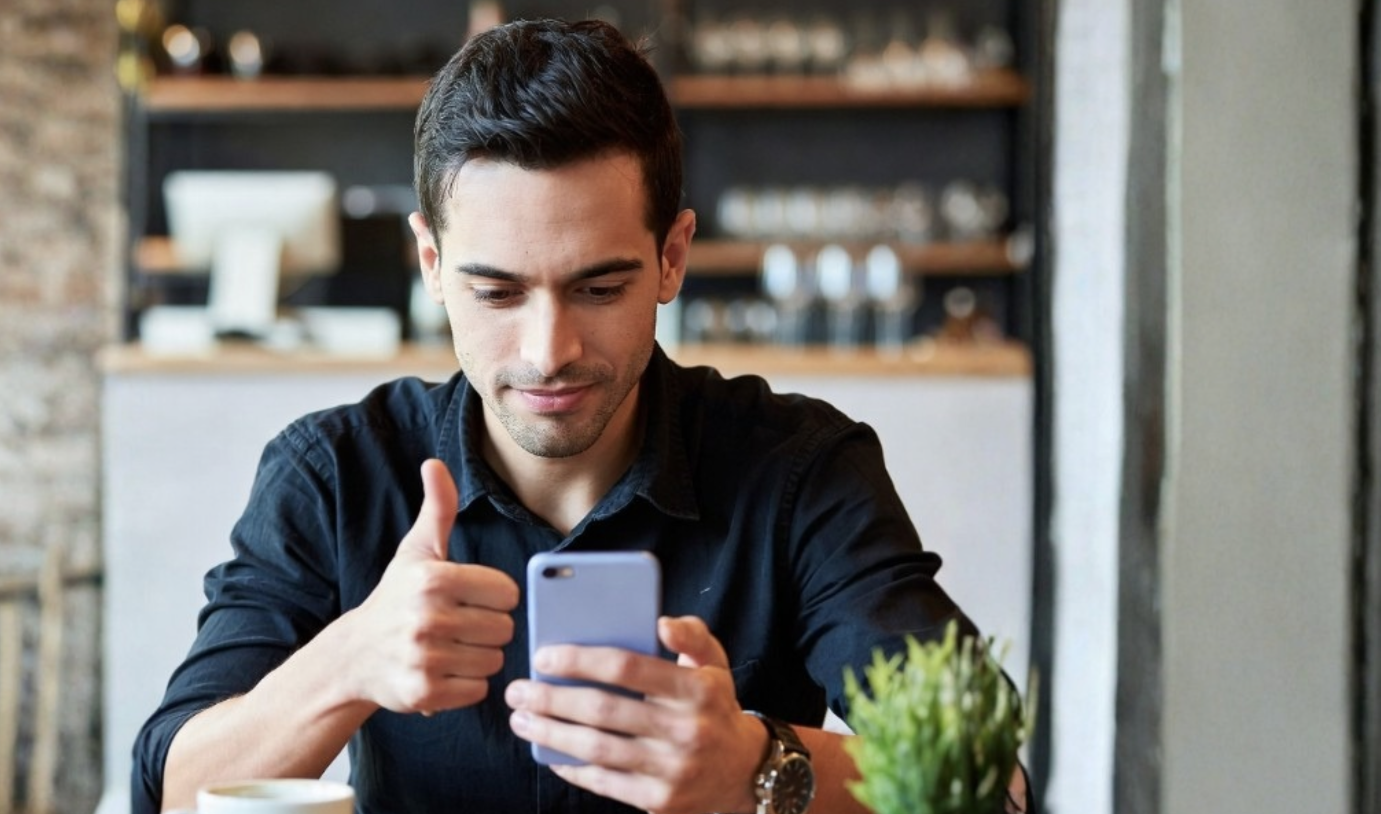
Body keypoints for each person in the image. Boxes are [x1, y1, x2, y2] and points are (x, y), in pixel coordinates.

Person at [135, 18, 1026, 814]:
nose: (547, 348)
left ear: (671, 257)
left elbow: (991, 784)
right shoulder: (336, 473)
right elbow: (170, 791)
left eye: (599, 286)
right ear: (431, 264)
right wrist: (349, 662)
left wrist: (759, 768)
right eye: (496, 291)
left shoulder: (798, 469)